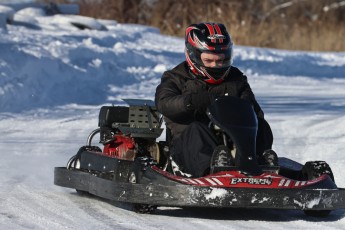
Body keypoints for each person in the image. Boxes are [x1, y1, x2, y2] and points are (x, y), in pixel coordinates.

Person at [155, 22, 276, 177]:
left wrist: (242, 107)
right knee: (196, 129)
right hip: (187, 150)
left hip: (233, 144)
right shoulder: (175, 77)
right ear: (193, 56)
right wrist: (193, 101)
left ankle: (262, 166)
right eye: (209, 61)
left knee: (261, 125)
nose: (216, 66)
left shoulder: (236, 79)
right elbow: (164, 103)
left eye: (221, 61)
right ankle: (211, 173)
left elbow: (255, 111)